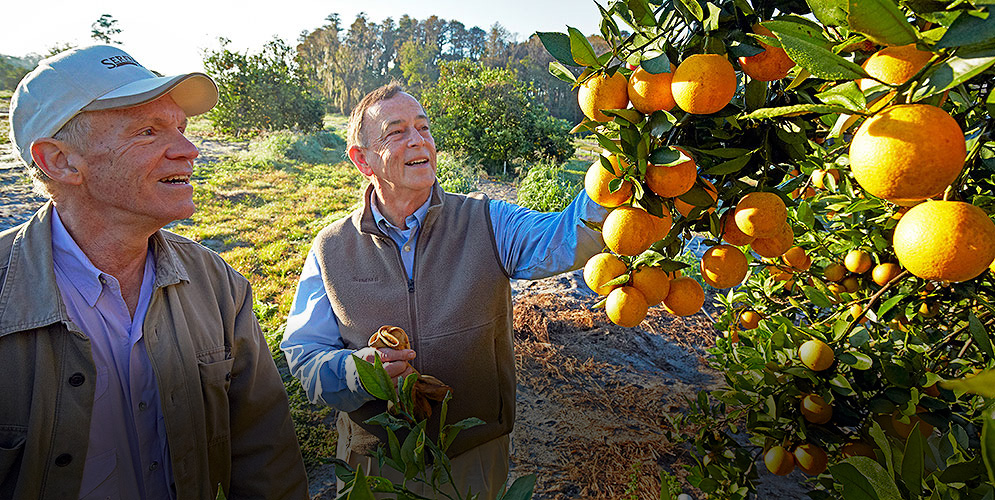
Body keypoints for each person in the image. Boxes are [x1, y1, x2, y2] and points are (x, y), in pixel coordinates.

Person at [1, 45, 308, 499]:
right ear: (59, 161)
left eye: (182, 128)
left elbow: (267, 460)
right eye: (148, 131)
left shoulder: (219, 286)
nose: (190, 150)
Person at [281, 82, 607, 498]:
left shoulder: (485, 220)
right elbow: (304, 355)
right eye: (396, 132)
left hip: (472, 452)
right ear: (362, 161)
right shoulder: (331, 248)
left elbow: (565, 236)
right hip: (377, 459)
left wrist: (617, 177)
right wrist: (358, 372)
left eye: (424, 127)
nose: (418, 140)